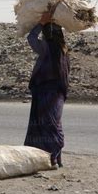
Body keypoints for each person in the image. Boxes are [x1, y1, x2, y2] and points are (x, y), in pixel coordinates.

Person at [24, 12, 70, 168]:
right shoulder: (64, 51)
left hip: (45, 92)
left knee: (48, 125)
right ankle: (56, 159)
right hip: (58, 93)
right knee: (53, 124)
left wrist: (41, 24)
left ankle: (53, 158)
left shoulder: (47, 48)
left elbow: (31, 38)